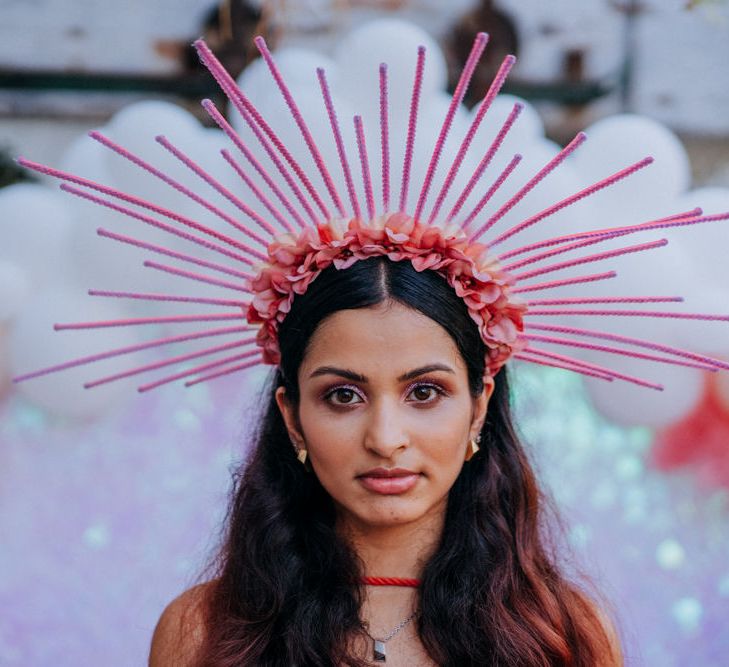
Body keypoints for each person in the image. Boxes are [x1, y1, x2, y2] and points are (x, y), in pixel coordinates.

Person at [148, 257, 622, 665]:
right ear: (293, 419)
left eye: (424, 392)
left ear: (478, 409)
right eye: (343, 396)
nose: (385, 438)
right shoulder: (204, 630)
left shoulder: (563, 632)